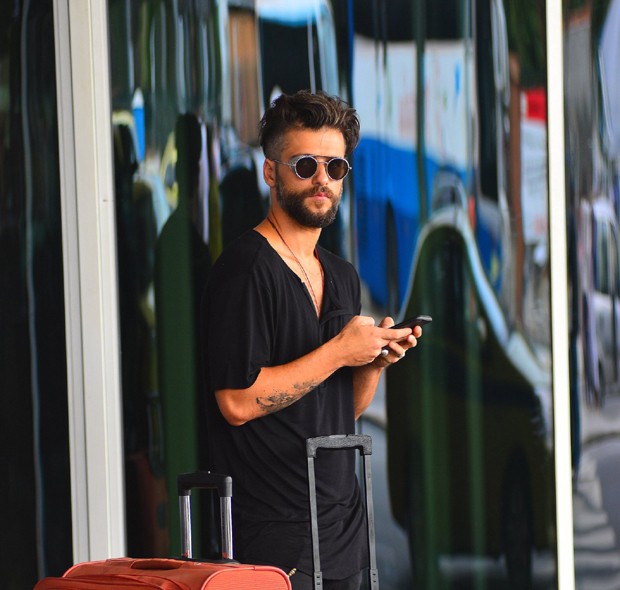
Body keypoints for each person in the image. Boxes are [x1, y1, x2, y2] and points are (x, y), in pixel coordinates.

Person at [203, 90, 422, 590]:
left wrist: (371, 362)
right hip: (273, 541)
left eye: (335, 167)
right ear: (271, 173)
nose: (322, 179)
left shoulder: (342, 277)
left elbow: (343, 409)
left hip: (345, 532)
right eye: (305, 165)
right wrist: (338, 350)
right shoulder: (245, 270)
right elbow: (236, 401)